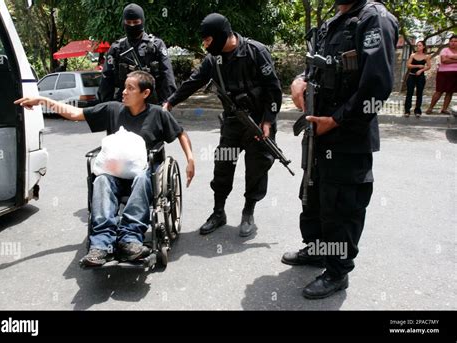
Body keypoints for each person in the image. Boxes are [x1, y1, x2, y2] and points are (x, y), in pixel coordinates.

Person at [15, 71, 195, 267]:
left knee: (143, 177)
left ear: (145, 93)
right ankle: (100, 245)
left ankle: (130, 240)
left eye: (130, 88)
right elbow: (75, 113)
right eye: (124, 87)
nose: (124, 92)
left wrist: (190, 160)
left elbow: (181, 133)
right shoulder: (112, 110)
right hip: (115, 173)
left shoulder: (157, 114)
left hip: (143, 175)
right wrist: (42, 100)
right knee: (100, 179)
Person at [283, 0, 398, 299]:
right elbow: (315, 66)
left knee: (342, 205)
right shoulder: (333, 21)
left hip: (347, 134)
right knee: (314, 195)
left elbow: (377, 85)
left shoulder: (374, 19)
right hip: (318, 131)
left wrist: (335, 120)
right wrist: (299, 80)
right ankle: (318, 250)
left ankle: (337, 271)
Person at [163, 13, 282, 238]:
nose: (205, 44)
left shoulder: (256, 52)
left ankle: (248, 212)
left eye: (208, 40)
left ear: (221, 36)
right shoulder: (213, 60)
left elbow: (273, 89)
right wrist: (170, 102)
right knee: (223, 166)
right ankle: (219, 212)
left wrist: (268, 120)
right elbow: (193, 82)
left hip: (258, 122)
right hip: (232, 123)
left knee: (257, 169)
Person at [98, 3, 177, 105]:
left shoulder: (156, 45)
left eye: (136, 22)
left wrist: (166, 104)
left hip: (151, 104)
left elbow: (167, 77)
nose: (132, 25)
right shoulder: (117, 48)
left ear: (142, 21)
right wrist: (107, 107)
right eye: (128, 22)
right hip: (124, 104)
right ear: (124, 22)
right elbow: (106, 79)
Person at [426, 35, 457, 115]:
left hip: (455, 74)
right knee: (439, 91)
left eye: (455, 41)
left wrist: (450, 58)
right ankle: (430, 108)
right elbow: (444, 60)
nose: (453, 43)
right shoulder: (444, 50)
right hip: (443, 73)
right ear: (449, 42)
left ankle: (444, 109)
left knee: (450, 92)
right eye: (452, 41)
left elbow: (447, 60)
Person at [404, 41, 431, 117]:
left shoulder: (426, 56)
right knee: (409, 93)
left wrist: (421, 70)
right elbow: (408, 65)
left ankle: (417, 110)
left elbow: (429, 66)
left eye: (420, 45)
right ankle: (407, 110)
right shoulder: (412, 55)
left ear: (423, 47)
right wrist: (418, 66)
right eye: (417, 45)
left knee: (419, 94)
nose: (418, 47)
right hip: (411, 76)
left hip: (421, 77)